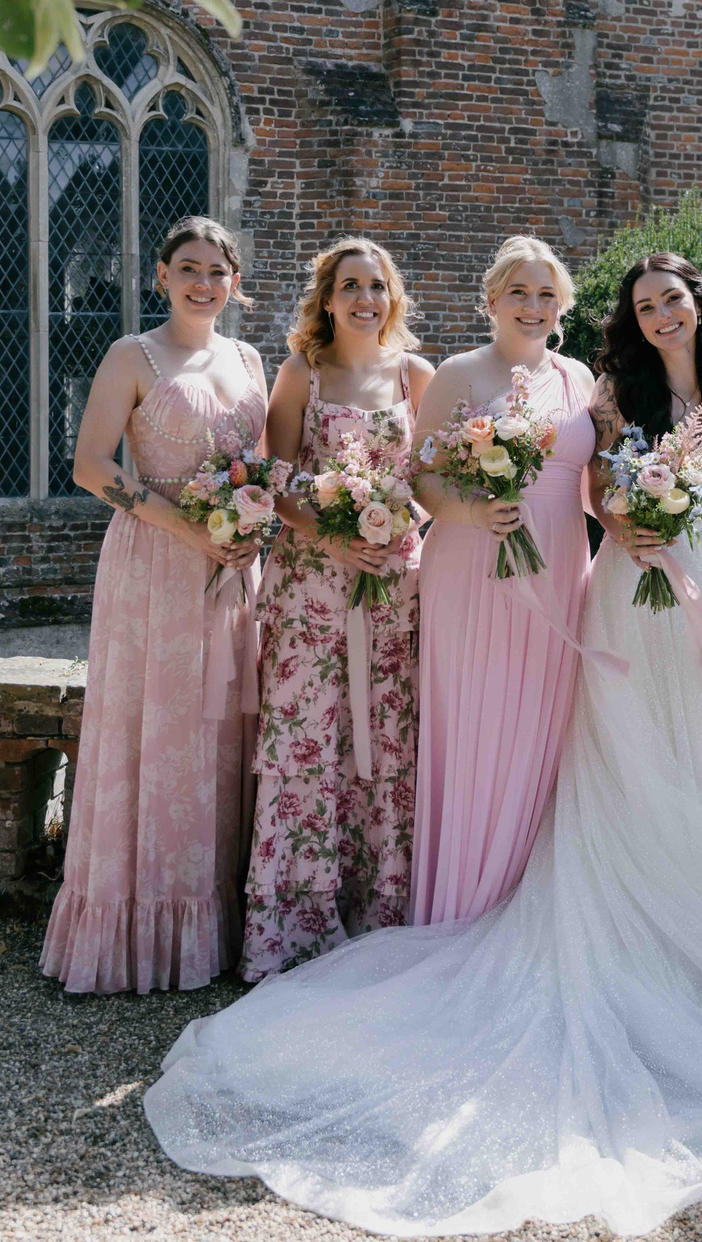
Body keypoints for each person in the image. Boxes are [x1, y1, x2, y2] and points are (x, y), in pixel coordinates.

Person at [143, 251, 702, 1236]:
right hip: (635, 592)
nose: (660, 315)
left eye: (672, 300)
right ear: (629, 323)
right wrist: (630, 522)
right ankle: (648, 944)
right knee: (640, 769)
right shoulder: (609, 392)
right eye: (644, 306)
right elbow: (596, 492)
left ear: (697, 306)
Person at [40, 217, 264, 996]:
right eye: (189, 269)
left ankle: (216, 929)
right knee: (156, 728)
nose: (203, 283)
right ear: (161, 275)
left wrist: (246, 528)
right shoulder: (130, 355)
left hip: (232, 571)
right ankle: (135, 934)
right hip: (152, 563)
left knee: (223, 732)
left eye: (217, 271)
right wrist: (186, 526)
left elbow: (259, 467)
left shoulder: (249, 358)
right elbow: (89, 464)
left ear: (235, 283)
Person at [241, 238, 433, 979]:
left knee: (386, 737)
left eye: (377, 286)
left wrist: (394, 525)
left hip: (394, 583)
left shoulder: (417, 374)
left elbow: (431, 479)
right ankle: (297, 926)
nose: (364, 299)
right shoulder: (303, 372)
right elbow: (277, 484)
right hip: (312, 588)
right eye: (349, 285)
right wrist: (335, 533)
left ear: (392, 297)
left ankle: (381, 915)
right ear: (327, 298)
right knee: (308, 735)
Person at [403, 236, 598, 926]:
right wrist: (475, 508)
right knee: (475, 724)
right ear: (492, 298)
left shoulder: (580, 380)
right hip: (473, 562)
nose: (534, 305)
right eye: (521, 291)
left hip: (559, 564)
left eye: (548, 294)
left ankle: (527, 906)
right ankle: (462, 903)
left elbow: (592, 486)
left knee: (543, 730)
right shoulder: (459, 373)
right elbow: (420, 474)